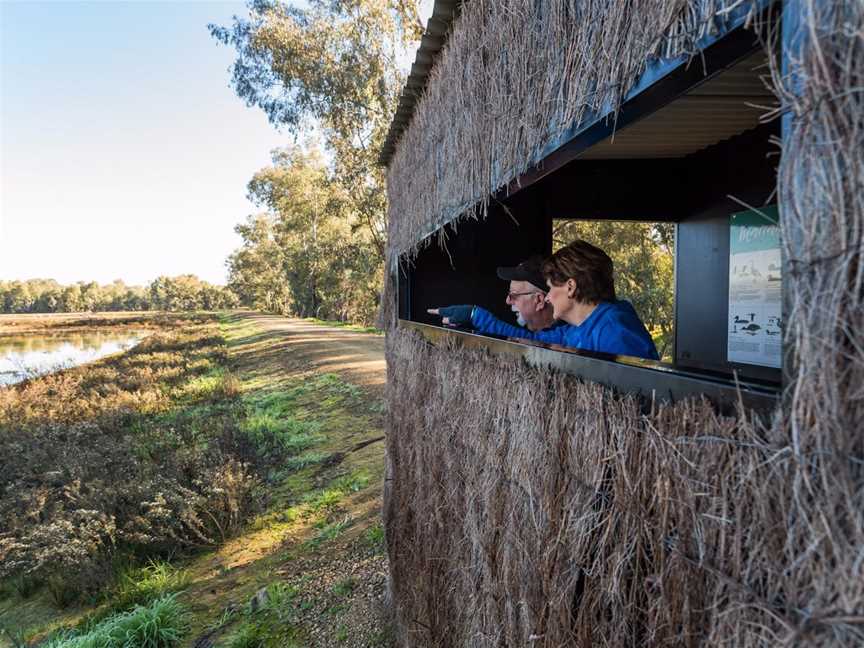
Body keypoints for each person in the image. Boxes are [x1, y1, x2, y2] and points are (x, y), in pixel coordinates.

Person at [428, 240, 659, 360]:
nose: (548, 297)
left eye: (549, 288)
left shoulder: (615, 332)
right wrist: (474, 316)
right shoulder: (574, 330)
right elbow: (529, 339)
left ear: (570, 287)